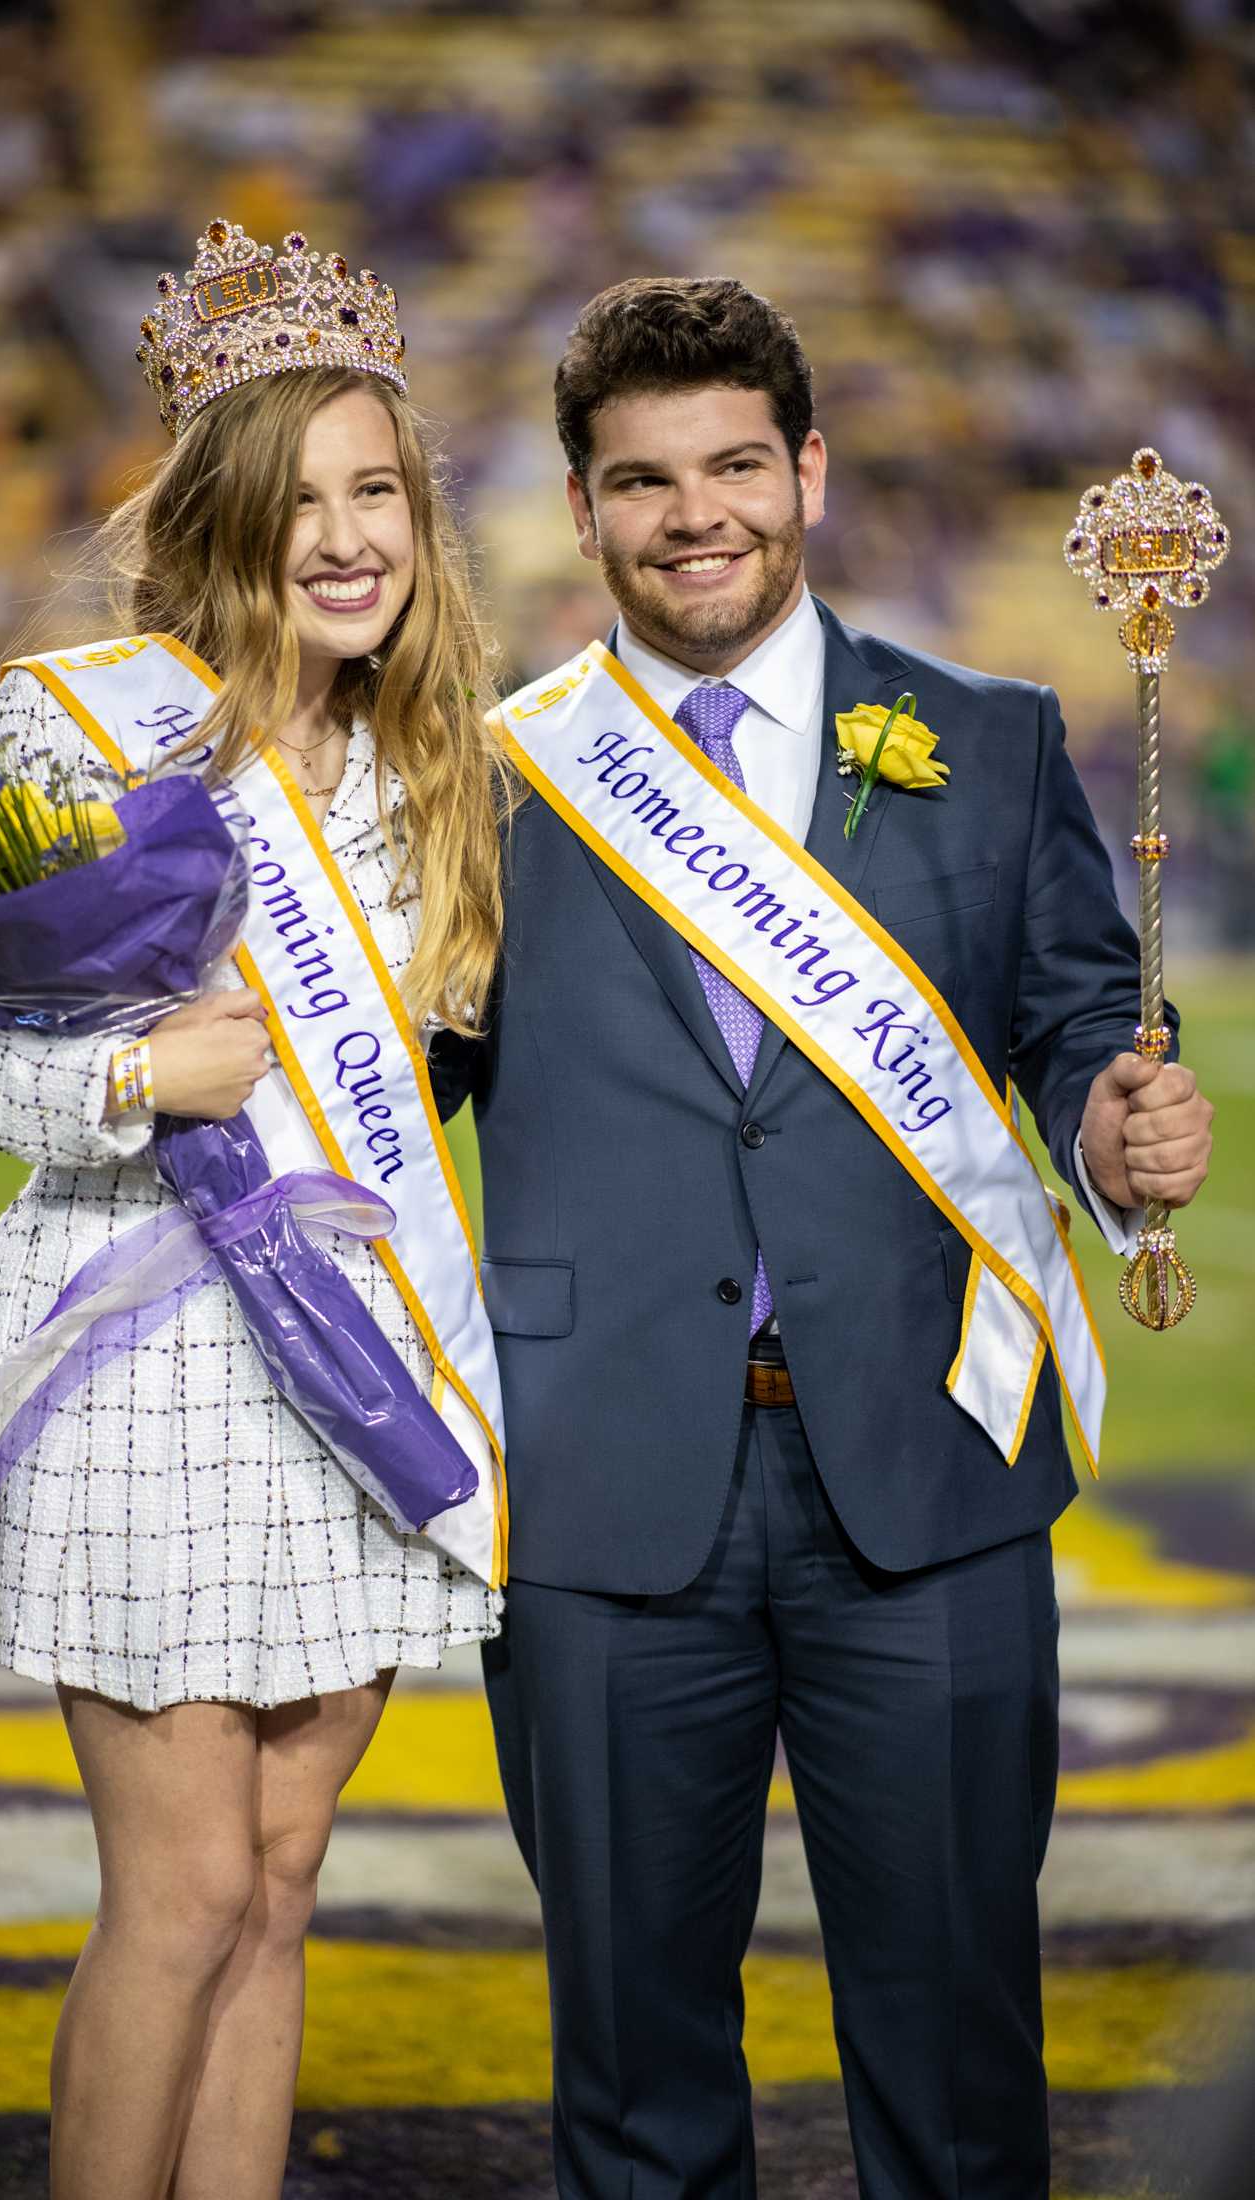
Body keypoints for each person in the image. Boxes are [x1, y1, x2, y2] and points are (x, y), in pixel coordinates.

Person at [429, 276, 1215, 2199]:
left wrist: (1122, 1138)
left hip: (928, 1472)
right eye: (641, 481)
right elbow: (374, 1077)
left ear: (812, 472)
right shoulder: (484, 776)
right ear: (582, 506)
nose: (694, 514)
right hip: (605, 1489)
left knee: (956, 2063)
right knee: (632, 2066)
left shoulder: (1000, 740)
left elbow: (1072, 1033)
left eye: (732, 465)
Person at [0, 222, 514, 2200]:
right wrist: (135, 1077)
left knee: (285, 1875)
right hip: (147, 1350)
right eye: (296, 499)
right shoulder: (81, 721)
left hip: (356, 1358)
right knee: (182, 1883)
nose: (344, 539)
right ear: (219, 516)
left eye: (374, 493)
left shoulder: (433, 769)